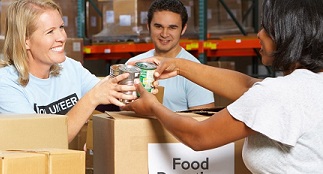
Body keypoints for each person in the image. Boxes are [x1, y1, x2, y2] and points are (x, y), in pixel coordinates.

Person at [123, 0, 323, 173]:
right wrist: (178, 65)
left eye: (266, 28)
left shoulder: (278, 93)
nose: (259, 34)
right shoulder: (309, 83)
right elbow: (247, 85)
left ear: (287, 34)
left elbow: (198, 137)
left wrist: (153, 107)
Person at [0, 0, 137, 143]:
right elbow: (41, 144)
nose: (62, 37)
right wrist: (91, 98)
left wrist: (133, 77)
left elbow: (116, 101)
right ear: (25, 40)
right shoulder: (6, 85)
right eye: (50, 32)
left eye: (61, 27)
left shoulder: (70, 67)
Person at [125, 0, 214, 112]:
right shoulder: (133, 64)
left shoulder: (195, 71)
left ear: (183, 29)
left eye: (172, 27)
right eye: (158, 26)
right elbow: (122, 111)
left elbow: (203, 121)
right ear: (148, 26)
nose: (164, 34)